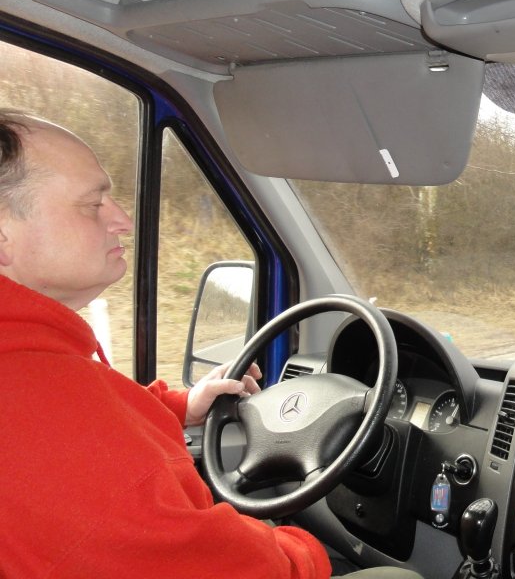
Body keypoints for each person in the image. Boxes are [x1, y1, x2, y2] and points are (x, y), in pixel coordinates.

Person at [0, 110, 419, 579]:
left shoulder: (34, 363)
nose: (123, 220)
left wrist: (181, 406)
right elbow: (229, 568)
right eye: (93, 204)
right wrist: (302, 550)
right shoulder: (49, 408)